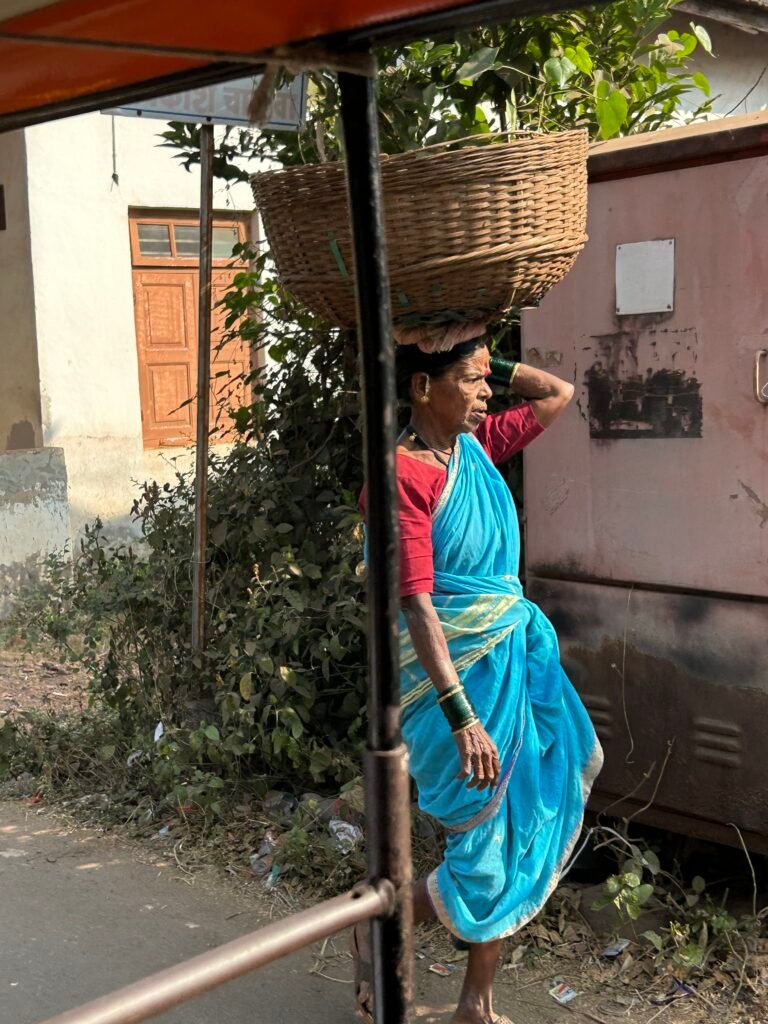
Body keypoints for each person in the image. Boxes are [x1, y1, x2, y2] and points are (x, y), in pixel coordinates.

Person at [354, 336, 603, 1024]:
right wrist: (461, 714)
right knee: (484, 843)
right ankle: (369, 923)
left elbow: (558, 394)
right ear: (421, 388)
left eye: (486, 379)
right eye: (469, 380)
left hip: (511, 662)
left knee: (519, 822)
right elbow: (416, 601)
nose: (487, 391)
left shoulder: (474, 451)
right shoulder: (403, 476)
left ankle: (476, 1003)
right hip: (450, 686)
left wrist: (482, 358)